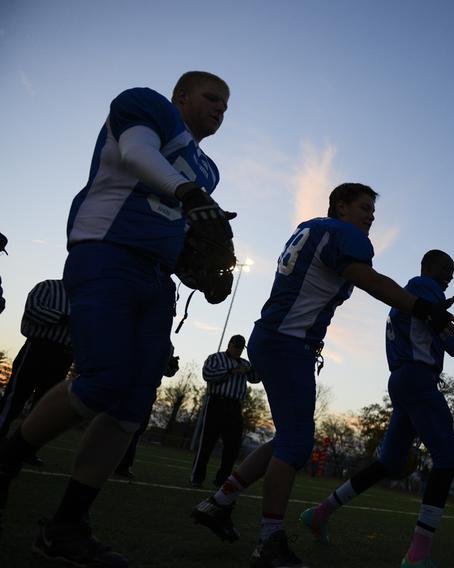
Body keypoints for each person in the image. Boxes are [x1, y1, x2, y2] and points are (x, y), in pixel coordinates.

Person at [0, 70, 233, 566]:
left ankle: (65, 526)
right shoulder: (147, 107)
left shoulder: (208, 169)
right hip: (106, 251)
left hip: (156, 278)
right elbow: (137, 155)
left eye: (227, 105)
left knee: (131, 405)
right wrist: (190, 196)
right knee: (103, 380)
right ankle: (6, 459)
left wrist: (201, 273)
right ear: (181, 96)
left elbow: (178, 232)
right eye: (213, 98)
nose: (220, 109)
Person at [191, 183, 454, 568]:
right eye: (364, 207)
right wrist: (422, 307)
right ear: (340, 206)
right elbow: (367, 279)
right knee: (298, 444)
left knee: (288, 437)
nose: (370, 216)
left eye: (373, 210)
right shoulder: (345, 235)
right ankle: (269, 541)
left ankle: (219, 502)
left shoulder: (309, 228)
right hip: (289, 342)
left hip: (272, 336)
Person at [302, 249, 454, 568]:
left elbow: (451, 346)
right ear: (428, 267)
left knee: (388, 462)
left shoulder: (416, 299)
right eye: (446, 269)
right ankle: (417, 554)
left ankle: (320, 512)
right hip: (417, 378)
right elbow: (450, 343)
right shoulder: (423, 289)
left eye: (452, 271)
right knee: (447, 459)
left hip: (403, 380)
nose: (450, 276)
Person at [0, 280, 73, 464]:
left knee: (44, 405)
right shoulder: (48, 286)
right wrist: (64, 318)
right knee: (15, 397)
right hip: (38, 348)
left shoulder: (89, 297)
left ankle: (25, 449)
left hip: (64, 355)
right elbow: (33, 311)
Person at [190, 335, 259, 487]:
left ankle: (222, 480)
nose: (238, 351)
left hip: (235, 405)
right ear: (230, 344)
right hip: (216, 402)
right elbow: (208, 375)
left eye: (241, 348)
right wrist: (232, 371)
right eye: (236, 347)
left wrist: (253, 366)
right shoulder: (215, 358)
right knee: (207, 442)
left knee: (232, 446)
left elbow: (256, 378)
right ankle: (197, 478)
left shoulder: (245, 363)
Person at [114, 350, 180, 479]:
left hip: (148, 389)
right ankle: (106, 458)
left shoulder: (167, 344)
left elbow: (167, 372)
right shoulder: (144, 335)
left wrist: (173, 365)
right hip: (130, 384)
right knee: (116, 423)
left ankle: (124, 464)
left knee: (137, 429)